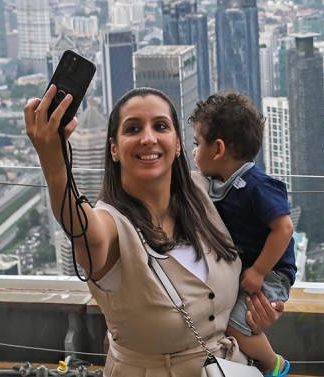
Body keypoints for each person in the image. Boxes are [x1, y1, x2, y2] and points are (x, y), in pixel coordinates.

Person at [25, 85, 283, 376]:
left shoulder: (203, 192)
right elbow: (80, 227)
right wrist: (54, 161)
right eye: (133, 129)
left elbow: (270, 231)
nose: (148, 138)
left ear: (178, 144)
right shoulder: (110, 225)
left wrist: (255, 310)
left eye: (160, 126)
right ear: (114, 149)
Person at [189, 94, 295, 377]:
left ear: (218, 149)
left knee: (235, 324)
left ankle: (273, 365)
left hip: (273, 272)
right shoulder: (217, 184)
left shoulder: (256, 185)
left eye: (197, 144)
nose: (194, 152)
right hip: (248, 270)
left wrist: (260, 271)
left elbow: (284, 228)